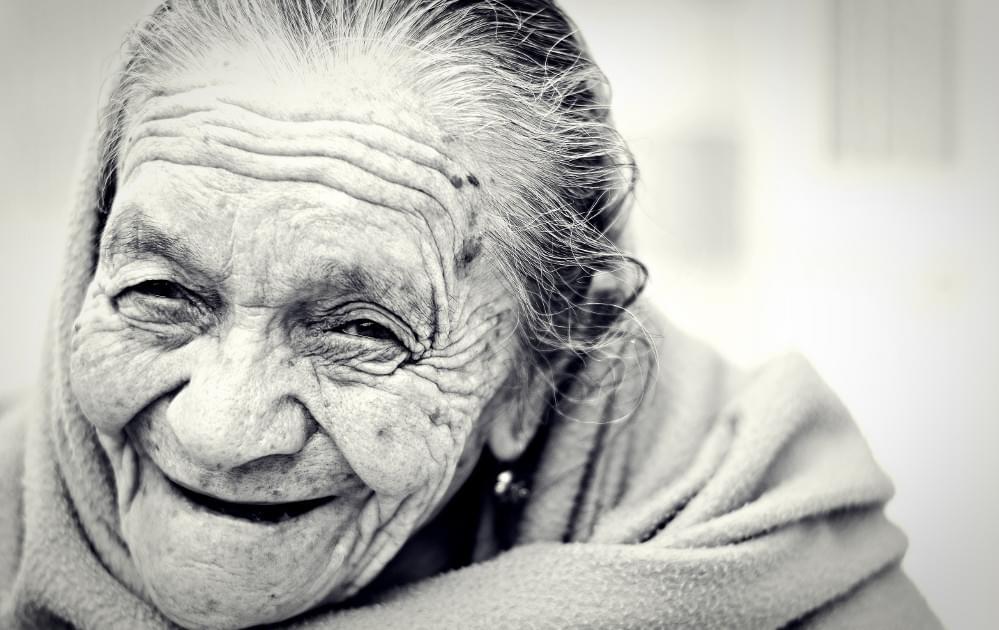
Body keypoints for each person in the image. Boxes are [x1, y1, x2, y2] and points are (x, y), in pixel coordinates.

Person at [0, 1, 941, 628]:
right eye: (160, 294)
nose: (217, 430)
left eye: (361, 329)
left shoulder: (770, 571)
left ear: (530, 377)